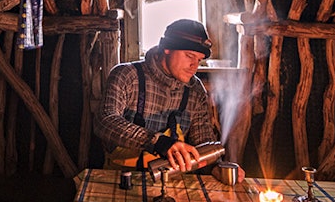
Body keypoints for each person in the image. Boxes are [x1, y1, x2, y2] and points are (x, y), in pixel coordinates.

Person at [97, 18, 233, 174]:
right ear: (167, 48)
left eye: (199, 60)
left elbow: (202, 142)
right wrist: (157, 141)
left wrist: (217, 166)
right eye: (189, 56)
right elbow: (105, 121)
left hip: (174, 179)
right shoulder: (127, 75)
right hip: (122, 177)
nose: (194, 66)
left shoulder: (195, 89)